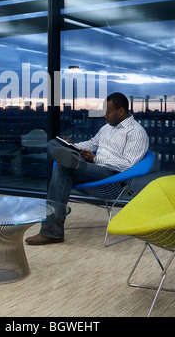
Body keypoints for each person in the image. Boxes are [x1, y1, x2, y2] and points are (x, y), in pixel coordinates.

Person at [25, 92, 149, 245]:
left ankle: (52, 232)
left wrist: (95, 159)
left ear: (121, 111)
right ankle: (72, 157)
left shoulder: (136, 133)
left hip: (112, 177)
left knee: (63, 169)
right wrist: (73, 145)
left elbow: (127, 165)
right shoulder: (107, 128)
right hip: (91, 168)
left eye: (108, 112)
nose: (105, 115)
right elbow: (92, 144)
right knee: (52, 143)